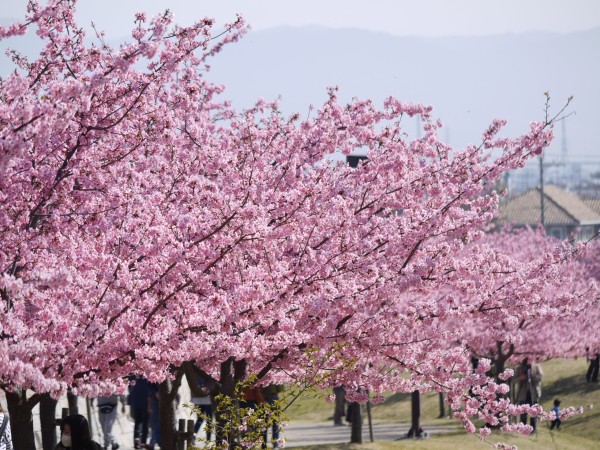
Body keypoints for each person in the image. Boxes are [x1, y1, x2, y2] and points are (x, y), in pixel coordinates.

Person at [514, 358, 544, 431]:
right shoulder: (519, 368)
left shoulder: (537, 367)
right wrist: (521, 378)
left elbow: (540, 377)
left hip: (534, 393)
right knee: (523, 413)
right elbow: (514, 380)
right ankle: (523, 429)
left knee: (534, 412)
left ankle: (533, 429)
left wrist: (532, 377)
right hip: (522, 394)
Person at [128, 375, 151, 449]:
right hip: (145, 404)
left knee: (137, 422)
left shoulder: (133, 376)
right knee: (145, 424)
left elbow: (130, 387)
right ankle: (143, 442)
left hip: (136, 403)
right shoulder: (148, 376)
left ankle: (137, 440)